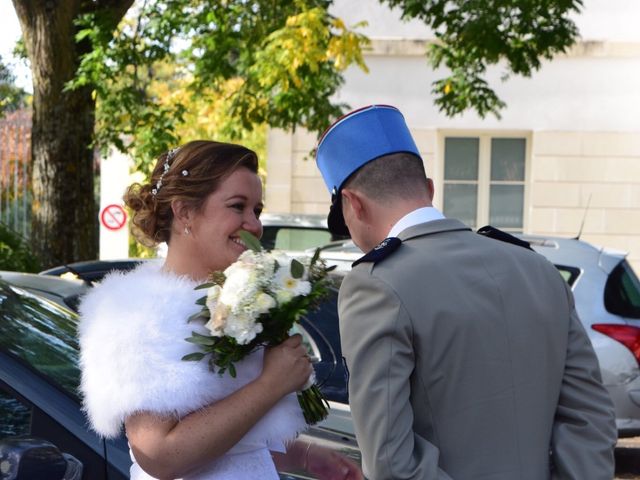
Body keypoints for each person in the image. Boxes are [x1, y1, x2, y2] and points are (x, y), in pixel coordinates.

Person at [315, 105, 618, 480]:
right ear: (429, 189)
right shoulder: (536, 268)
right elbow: (591, 418)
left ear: (353, 204)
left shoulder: (376, 283)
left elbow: (391, 462)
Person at [78, 140, 363, 480]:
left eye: (256, 210)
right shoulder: (140, 315)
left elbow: (226, 440)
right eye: (237, 206)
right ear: (184, 211)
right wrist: (271, 384)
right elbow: (159, 454)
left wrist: (305, 456)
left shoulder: (230, 300)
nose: (255, 225)